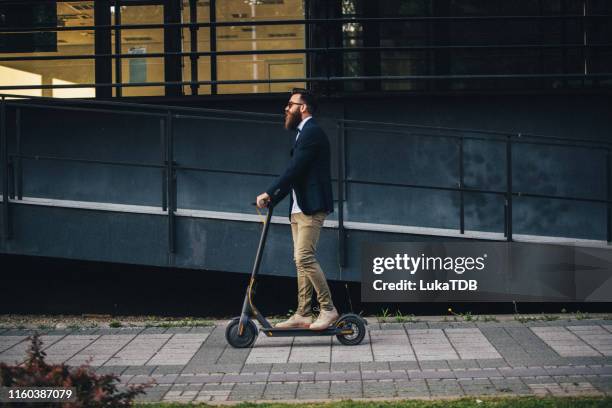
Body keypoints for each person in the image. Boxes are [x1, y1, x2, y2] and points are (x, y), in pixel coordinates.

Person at [256, 88, 338, 331]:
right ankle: (303, 313)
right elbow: (297, 175)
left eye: (290, 104)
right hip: (298, 207)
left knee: (304, 257)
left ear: (303, 107)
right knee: (300, 261)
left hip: (311, 207)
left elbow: (294, 169)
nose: (286, 108)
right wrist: (276, 198)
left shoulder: (312, 132)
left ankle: (328, 309)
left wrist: (269, 192)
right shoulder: (303, 134)